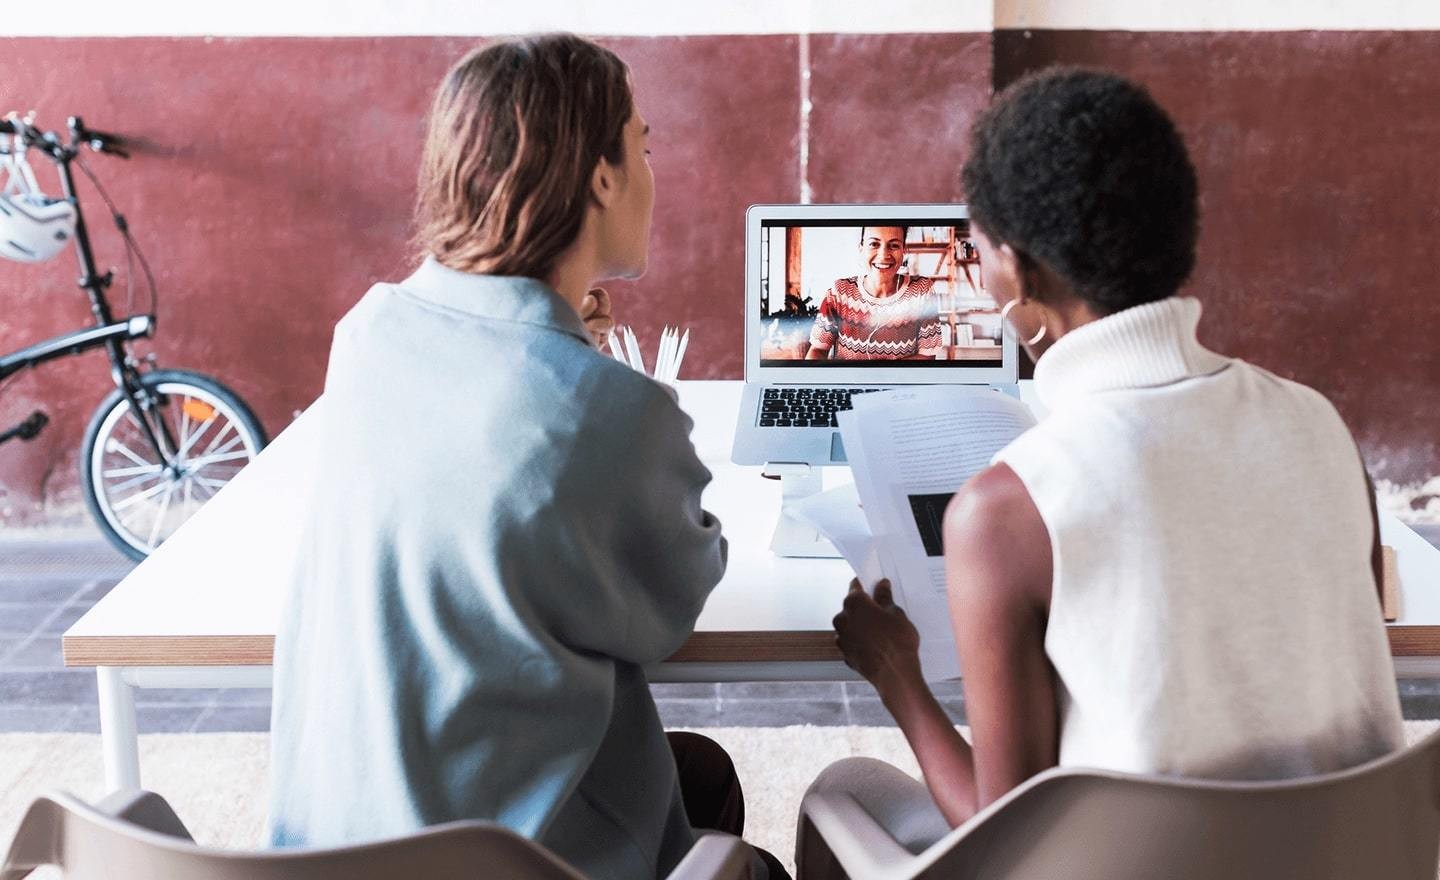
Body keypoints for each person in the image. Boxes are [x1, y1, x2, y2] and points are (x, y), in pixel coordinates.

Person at [805, 67, 1404, 859]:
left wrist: (898, 678)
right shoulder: (1320, 425)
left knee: (841, 790)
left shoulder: (1008, 509)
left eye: (977, 248)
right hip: (1346, 864)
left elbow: (1003, 841)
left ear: (1017, 272)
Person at [263, 34, 788, 880]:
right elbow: (671, 606)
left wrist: (561, 329)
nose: (652, 174)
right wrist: (581, 362)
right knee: (746, 860)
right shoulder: (607, 408)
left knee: (697, 776)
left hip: (336, 845)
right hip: (509, 862)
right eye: (643, 146)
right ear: (603, 176)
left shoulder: (368, 334)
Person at [805, 226, 942, 360]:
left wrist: (880, 377)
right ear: (861, 248)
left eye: (894, 245)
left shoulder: (922, 290)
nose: (883, 255)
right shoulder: (839, 292)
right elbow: (818, 349)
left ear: (903, 250)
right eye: (874, 244)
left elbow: (927, 355)